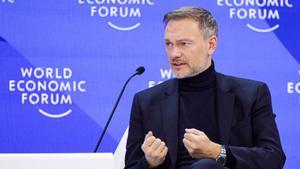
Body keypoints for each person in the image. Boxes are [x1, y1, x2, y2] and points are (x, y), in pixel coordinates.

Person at [124, 6, 285, 169]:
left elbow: (273, 159)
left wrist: (216, 152)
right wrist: (148, 163)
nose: (174, 54)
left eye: (183, 44)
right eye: (168, 44)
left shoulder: (251, 95)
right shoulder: (146, 101)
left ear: (211, 45)